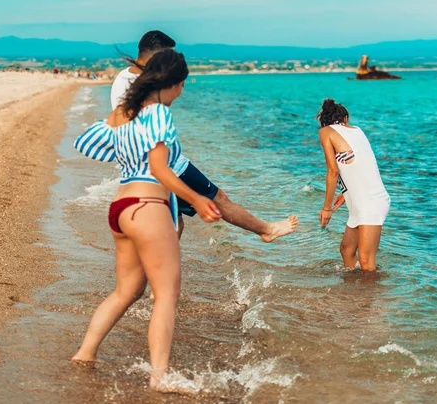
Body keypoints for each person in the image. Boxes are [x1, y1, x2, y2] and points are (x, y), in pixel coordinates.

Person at [71, 50, 221, 389]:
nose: (181, 92)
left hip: (120, 207)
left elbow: (89, 143)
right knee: (166, 295)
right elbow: (159, 170)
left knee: (127, 291)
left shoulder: (124, 112)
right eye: (181, 85)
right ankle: (159, 377)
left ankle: (85, 353)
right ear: (171, 84)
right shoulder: (159, 115)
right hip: (148, 206)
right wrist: (197, 198)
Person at [112, 30, 298, 242]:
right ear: (157, 56)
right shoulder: (143, 84)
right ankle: (266, 230)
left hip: (146, 167)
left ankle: (157, 268)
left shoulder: (124, 77)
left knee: (176, 222)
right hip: (166, 167)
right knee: (217, 198)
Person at [316, 98, 390, 272]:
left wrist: (327, 208)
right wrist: (345, 192)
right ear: (346, 119)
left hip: (370, 201)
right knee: (347, 250)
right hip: (363, 200)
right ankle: (353, 293)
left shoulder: (325, 132)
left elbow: (332, 171)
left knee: (365, 259)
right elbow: (359, 164)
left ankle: (369, 297)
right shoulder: (357, 130)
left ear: (323, 122)